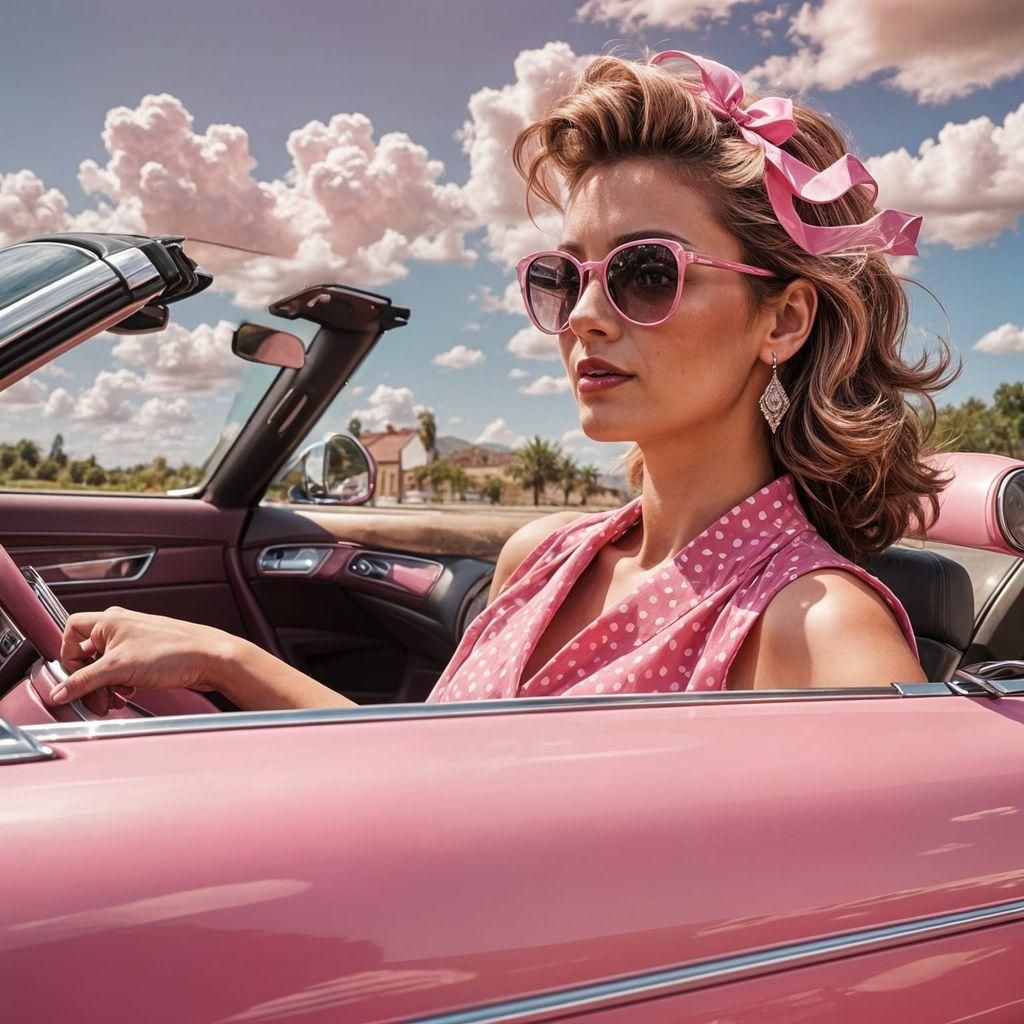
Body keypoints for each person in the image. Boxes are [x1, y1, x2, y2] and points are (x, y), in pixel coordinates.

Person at [50, 49, 951, 715]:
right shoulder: (544, 555)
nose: (587, 315)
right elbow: (434, 778)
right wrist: (223, 659)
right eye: (565, 277)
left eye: (644, 272)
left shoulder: (819, 630)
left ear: (784, 321)